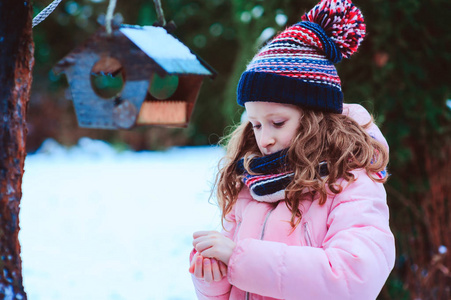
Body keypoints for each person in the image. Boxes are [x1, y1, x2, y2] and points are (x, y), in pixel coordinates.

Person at [189, 0, 396, 299]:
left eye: (277, 122)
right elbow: (236, 284)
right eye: (256, 125)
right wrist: (213, 277)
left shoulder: (349, 183)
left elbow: (353, 277)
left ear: (316, 118)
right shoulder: (252, 185)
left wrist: (238, 259)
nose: (265, 139)